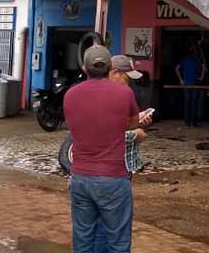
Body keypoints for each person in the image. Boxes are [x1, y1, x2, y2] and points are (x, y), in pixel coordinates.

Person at [63, 44, 151, 253]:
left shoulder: (70, 95)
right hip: (112, 178)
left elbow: (74, 124)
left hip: (80, 178)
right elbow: (131, 125)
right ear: (110, 66)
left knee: (83, 238)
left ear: (85, 68)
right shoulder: (124, 93)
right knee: (118, 241)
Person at [92, 55, 151, 252]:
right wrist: (136, 135)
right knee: (114, 227)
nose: (129, 83)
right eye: (127, 77)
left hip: (110, 169)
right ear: (115, 73)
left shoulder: (104, 93)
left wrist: (137, 120)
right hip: (113, 171)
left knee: (103, 223)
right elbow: (104, 133)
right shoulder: (110, 96)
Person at [175, 44, 206, 127]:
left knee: (189, 103)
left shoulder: (188, 59)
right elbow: (204, 67)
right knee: (193, 103)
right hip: (193, 84)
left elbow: (177, 68)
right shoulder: (196, 59)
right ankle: (192, 122)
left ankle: (188, 122)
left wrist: (181, 79)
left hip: (189, 84)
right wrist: (201, 77)